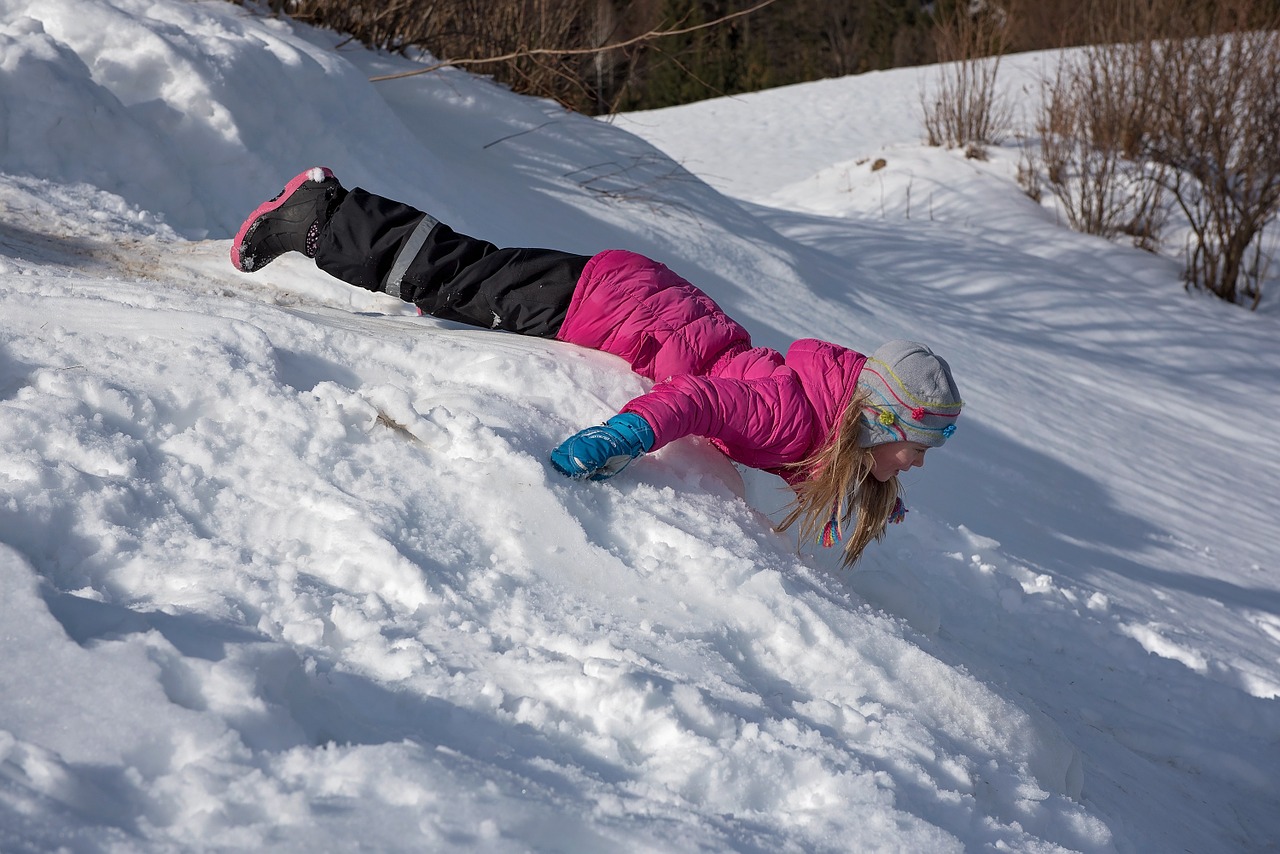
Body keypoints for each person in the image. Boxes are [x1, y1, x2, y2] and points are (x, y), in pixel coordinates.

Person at [230, 167, 962, 566]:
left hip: (638, 298)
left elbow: (811, 458)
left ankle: (343, 220)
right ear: (880, 416)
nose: (922, 463)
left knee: (464, 282)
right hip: (607, 303)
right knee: (448, 273)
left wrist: (876, 490)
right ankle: (321, 213)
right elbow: (698, 401)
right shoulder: (790, 409)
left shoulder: (827, 418)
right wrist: (621, 438)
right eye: (921, 446)